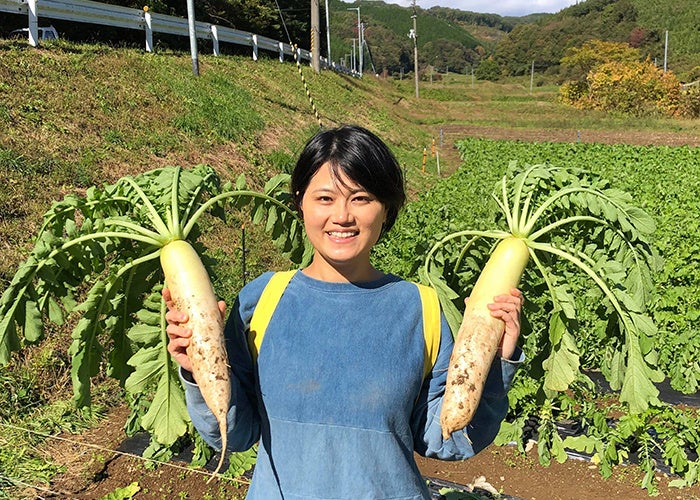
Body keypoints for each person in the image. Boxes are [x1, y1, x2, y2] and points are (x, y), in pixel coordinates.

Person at [165, 124, 525, 499]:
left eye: (361, 198)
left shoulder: (421, 309)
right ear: (300, 202)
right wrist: (197, 368)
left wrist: (495, 364)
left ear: (386, 209)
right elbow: (234, 433)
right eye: (325, 198)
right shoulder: (262, 300)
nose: (342, 216)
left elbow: (445, 437)